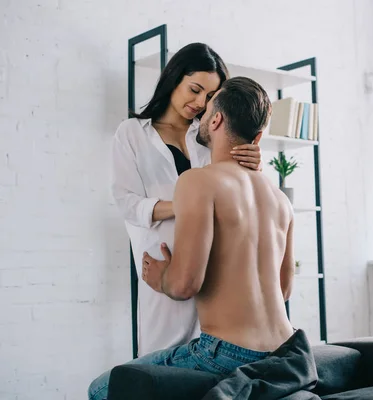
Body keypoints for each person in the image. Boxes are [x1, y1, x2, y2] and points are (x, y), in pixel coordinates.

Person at [89, 76, 295, 400]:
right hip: (284, 350)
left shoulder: (197, 181)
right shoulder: (280, 198)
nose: (200, 110)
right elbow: (283, 289)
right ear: (257, 137)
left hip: (228, 352)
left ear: (216, 119)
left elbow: (185, 286)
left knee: (102, 389)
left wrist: (161, 278)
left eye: (209, 102)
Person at [111, 43, 263, 358]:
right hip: (163, 266)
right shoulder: (132, 134)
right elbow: (127, 202)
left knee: (212, 361)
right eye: (194, 89)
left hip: (213, 264)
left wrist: (254, 164)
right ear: (174, 78)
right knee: (157, 366)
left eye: (209, 97)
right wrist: (183, 207)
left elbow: (238, 194)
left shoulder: (212, 135)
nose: (199, 103)